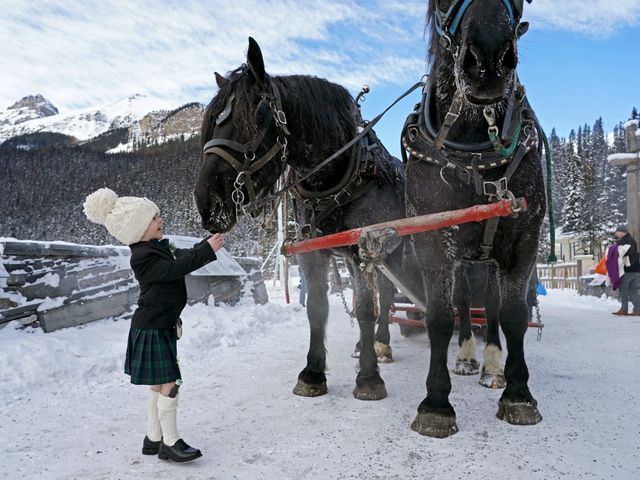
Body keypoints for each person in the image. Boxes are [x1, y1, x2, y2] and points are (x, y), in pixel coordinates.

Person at [83, 187, 224, 463]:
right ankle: (170, 442)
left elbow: (182, 256)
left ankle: (153, 438)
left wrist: (206, 245)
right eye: (154, 217)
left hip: (160, 325)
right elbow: (174, 270)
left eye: (159, 214)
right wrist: (206, 251)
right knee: (171, 384)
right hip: (151, 327)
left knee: (160, 385)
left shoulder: (159, 247)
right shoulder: (142, 256)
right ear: (137, 227)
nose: (161, 219)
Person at [612, 225, 640, 316]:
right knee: (633, 290)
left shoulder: (626, 241)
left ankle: (624, 310)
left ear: (622, 232)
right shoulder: (631, 240)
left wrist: (614, 250)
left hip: (627, 270)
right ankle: (637, 310)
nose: (616, 233)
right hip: (635, 269)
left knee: (623, 289)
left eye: (617, 232)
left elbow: (624, 253)